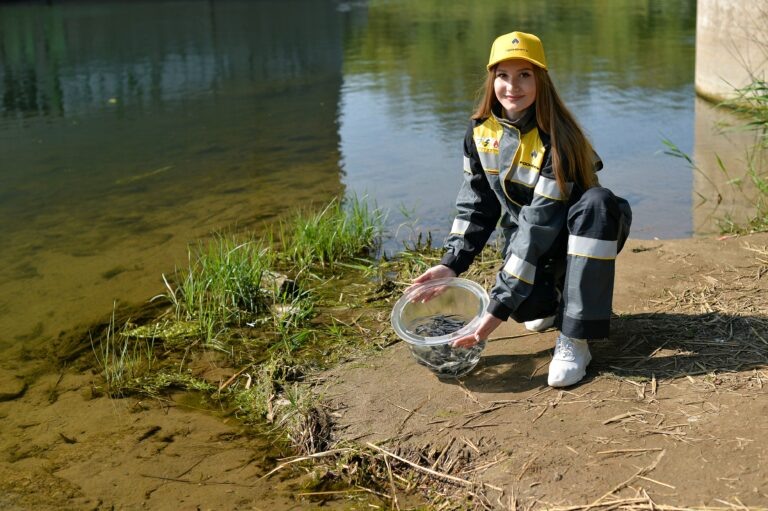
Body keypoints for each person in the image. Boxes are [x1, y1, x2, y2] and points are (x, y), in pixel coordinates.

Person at [410, 31, 632, 387]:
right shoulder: (479, 131)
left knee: (598, 203)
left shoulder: (557, 139)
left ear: (541, 80)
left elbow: (538, 226)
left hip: (585, 231)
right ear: (492, 79)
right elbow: (475, 205)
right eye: (503, 75)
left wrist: (492, 315)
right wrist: (451, 263)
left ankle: (575, 338)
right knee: (528, 308)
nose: (512, 86)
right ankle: (555, 300)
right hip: (532, 241)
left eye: (524, 75)